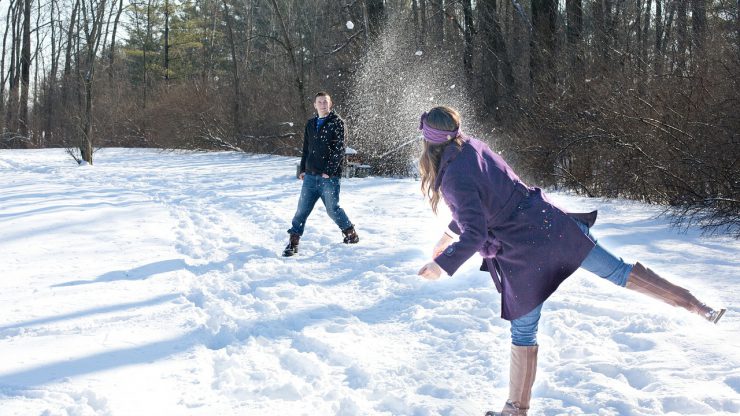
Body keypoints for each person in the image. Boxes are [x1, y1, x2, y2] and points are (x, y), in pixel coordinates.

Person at [415, 106, 725, 416]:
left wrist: (441, 265)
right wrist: (447, 234)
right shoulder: (472, 146)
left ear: (429, 143)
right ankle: (698, 306)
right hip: (552, 226)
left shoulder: (453, 176)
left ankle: (515, 411)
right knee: (620, 271)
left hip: (523, 253)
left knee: (524, 333)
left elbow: (477, 229)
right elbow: (492, 197)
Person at [283, 92, 359, 257]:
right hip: (310, 176)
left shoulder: (337, 123)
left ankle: (351, 233)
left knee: (333, 210)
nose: (323, 104)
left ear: (330, 104)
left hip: (329, 177)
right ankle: (293, 242)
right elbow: (306, 148)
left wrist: (329, 171)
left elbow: (339, 149)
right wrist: (303, 169)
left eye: (325, 102)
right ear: (315, 105)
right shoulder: (310, 124)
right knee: (301, 210)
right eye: (320, 102)